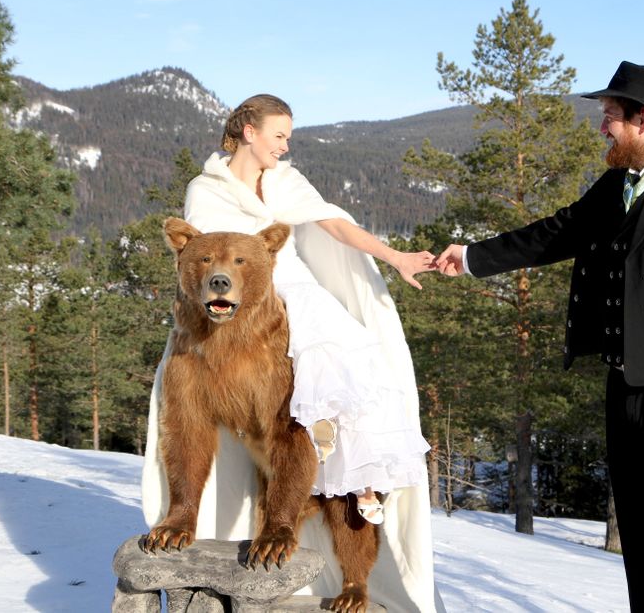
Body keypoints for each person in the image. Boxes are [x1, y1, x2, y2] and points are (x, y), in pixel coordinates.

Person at [435, 61, 644, 612]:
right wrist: (470, 258)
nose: (602, 127)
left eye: (609, 116)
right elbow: (557, 232)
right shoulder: (618, 185)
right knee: (642, 537)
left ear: (643, 118)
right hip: (625, 385)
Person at [142, 94, 445, 613]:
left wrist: (394, 257)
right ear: (247, 131)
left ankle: (354, 492)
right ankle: (203, 513)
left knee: (343, 396)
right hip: (241, 311)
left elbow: (333, 224)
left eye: (288, 136)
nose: (286, 145)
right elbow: (204, 261)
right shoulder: (205, 191)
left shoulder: (286, 182)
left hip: (300, 302)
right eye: (279, 135)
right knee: (226, 413)